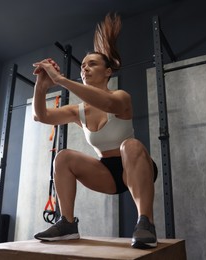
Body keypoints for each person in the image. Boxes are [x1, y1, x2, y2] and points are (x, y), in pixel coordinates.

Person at [31, 13, 158, 249]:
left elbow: (108, 104)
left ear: (108, 72)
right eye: (83, 66)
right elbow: (41, 116)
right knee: (63, 157)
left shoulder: (121, 97)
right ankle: (67, 224)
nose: (85, 68)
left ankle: (146, 222)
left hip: (134, 168)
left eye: (92, 64)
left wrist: (61, 79)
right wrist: (42, 85)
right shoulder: (78, 110)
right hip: (106, 174)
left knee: (130, 145)